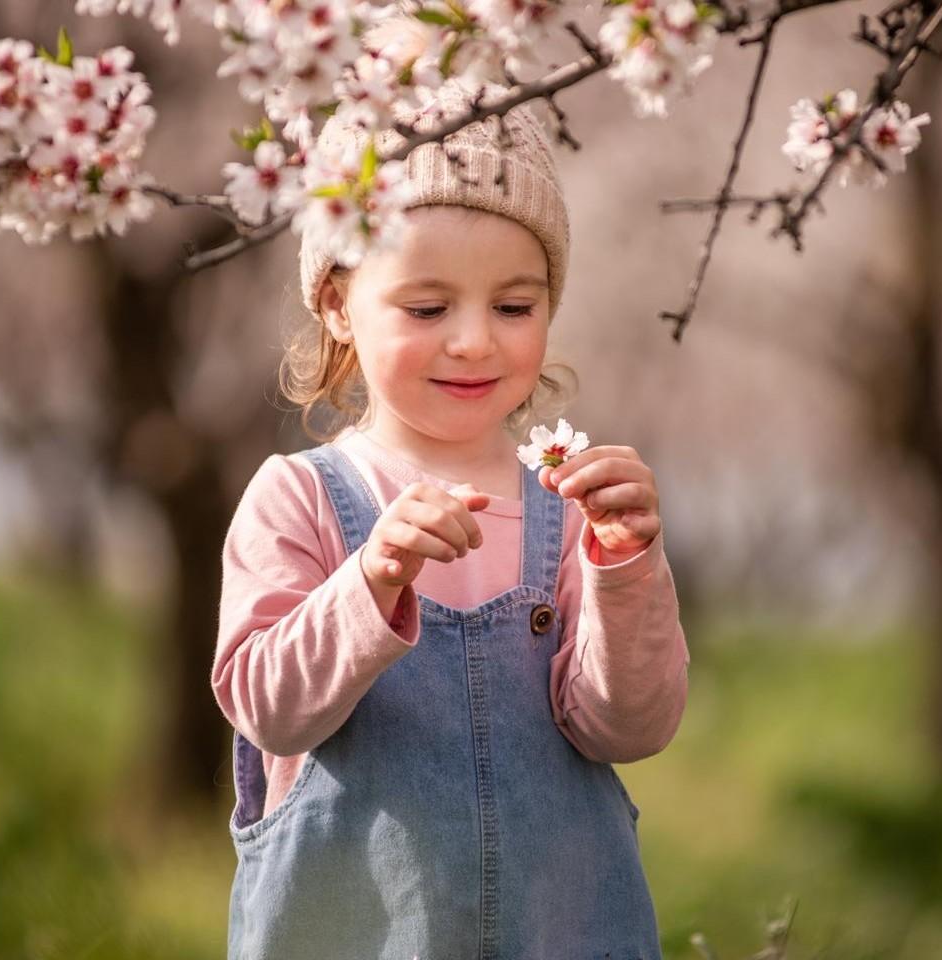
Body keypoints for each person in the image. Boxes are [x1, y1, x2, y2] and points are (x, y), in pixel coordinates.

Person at [212, 79, 690, 960]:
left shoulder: (566, 507)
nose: (474, 340)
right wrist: (369, 582)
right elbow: (268, 710)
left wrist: (625, 568)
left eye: (514, 307)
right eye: (427, 309)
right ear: (335, 304)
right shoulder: (301, 497)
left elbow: (630, 727)